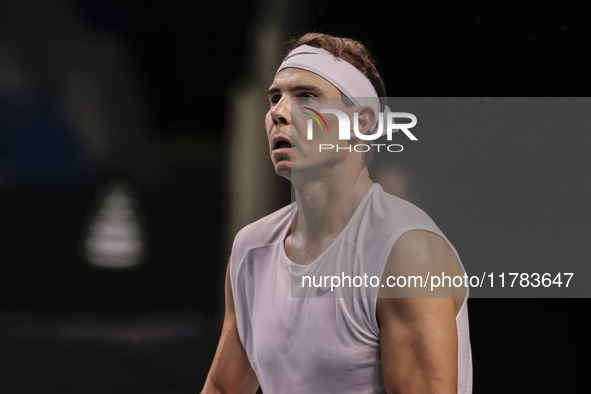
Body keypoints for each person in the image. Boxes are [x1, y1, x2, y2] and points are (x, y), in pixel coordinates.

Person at [202, 32, 472, 393]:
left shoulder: (407, 253)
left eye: (306, 97)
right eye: (275, 98)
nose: (279, 113)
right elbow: (223, 387)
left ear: (360, 124)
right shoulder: (251, 248)